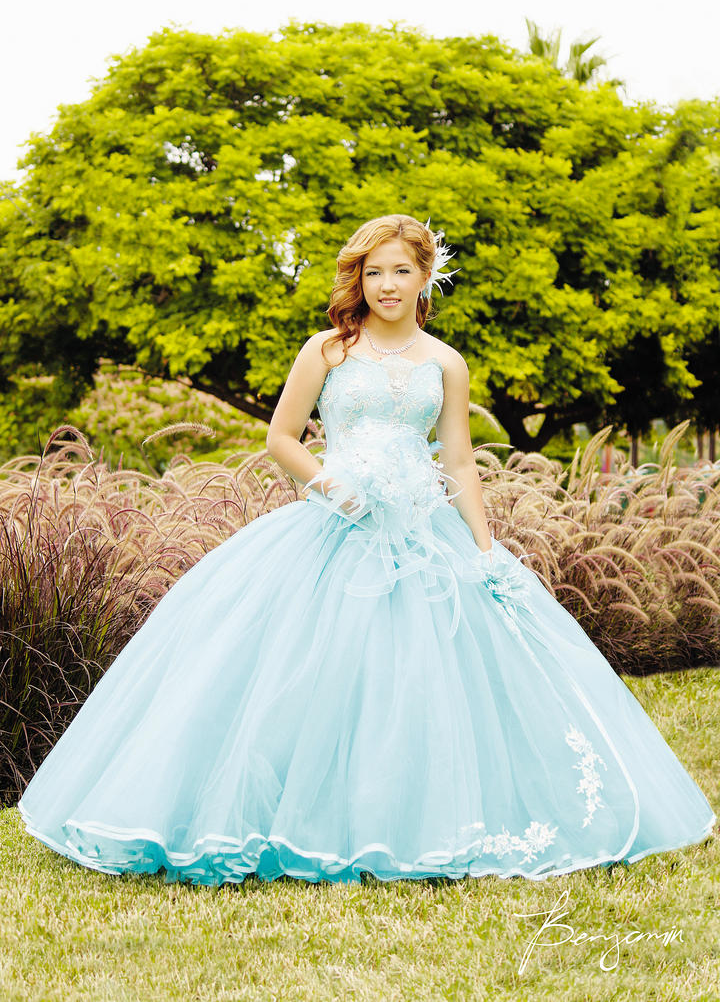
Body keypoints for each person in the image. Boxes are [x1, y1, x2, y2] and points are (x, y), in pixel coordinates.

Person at [17, 214, 716, 886]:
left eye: (401, 270)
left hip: (421, 533)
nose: (387, 284)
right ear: (359, 278)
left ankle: (413, 819)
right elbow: (281, 437)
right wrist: (332, 485)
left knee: (420, 679)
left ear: (425, 277)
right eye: (374, 271)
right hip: (332, 529)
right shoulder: (326, 350)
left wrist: (484, 546)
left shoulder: (446, 362)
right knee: (307, 675)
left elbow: (461, 462)